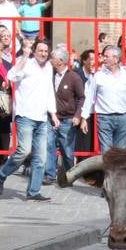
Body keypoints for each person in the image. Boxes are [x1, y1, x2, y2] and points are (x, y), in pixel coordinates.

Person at [0, 37, 57, 201]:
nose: (43, 54)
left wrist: (53, 114)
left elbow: (50, 90)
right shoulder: (27, 63)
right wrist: (24, 57)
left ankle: (34, 191)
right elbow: (11, 75)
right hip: (25, 116)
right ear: (34, 52)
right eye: (40, 51)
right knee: (24, 151)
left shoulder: (49, 67)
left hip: (42, 118)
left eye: (45, 51)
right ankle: (2, 174)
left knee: (40, 158)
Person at [81, 45, 126, 151]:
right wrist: (84, 118)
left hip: (123, 117)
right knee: (106, 151)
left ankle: (117, 168)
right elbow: (89, 97)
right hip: (104, 118)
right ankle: (109, 168)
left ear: (116, 59)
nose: (103, 58)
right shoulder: (98, 76)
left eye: (106, 56)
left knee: (120, 152)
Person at [49, 46, 85, 184]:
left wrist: (78, 115)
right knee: (49, 146)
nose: (50, 61)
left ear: (61, 61)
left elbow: (81, 97)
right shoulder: (50, 75)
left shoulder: (74, 77)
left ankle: (70, 175)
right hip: (52, 117)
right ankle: (50, 175)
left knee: (67, 150)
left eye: (53, 59)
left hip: (68, 118)